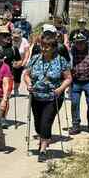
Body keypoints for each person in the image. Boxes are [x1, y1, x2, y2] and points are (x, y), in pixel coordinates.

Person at [24, 29, 72, 161]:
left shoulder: (61, 61)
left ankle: (43, 150)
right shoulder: (35, 59)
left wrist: (60, 89)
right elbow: (26, 74)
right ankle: (43, 139)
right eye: (42, 45)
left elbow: (68, 78)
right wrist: (28, 84)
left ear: (54, 47)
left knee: (46, 122)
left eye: (47, 46)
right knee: (38, 124)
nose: (44, 49)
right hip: (36, 96)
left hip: (53, 97)